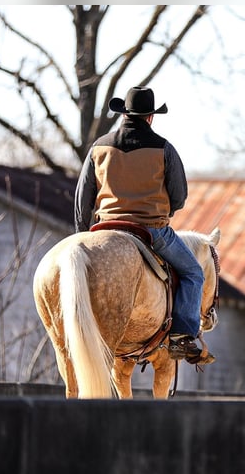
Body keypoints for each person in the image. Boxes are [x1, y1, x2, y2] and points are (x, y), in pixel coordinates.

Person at [74, 85, 209, 362]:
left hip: (105, 227)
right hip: (151, 230)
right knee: (194, 273)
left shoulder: (98, 147)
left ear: (124, 114)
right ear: (151, 117)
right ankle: (181, 337)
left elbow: (82, 198)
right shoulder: (164, 149)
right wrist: (160, 211)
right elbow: (179, 197)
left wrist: (81, 235)